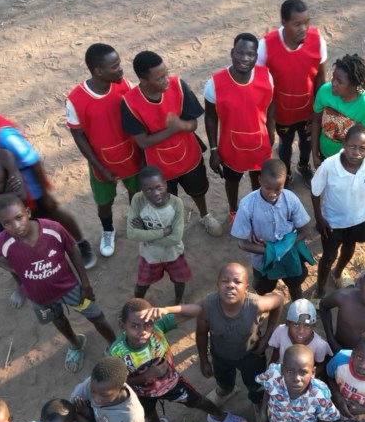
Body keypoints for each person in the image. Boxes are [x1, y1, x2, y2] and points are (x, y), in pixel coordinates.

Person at [0, 80, 97, 268]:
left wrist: (44, 194)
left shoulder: (1, 132)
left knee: (52, 216)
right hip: (6, 191)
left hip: (29, 190)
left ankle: (81, 244)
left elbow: (31, 159)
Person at [0, 196, 115, 371]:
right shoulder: (2, 241)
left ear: (28, 213)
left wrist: (85, 283)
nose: (15, 226)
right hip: (39, 297)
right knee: (57, 319)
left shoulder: (52, 229)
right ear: (2, 225)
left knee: (96, 316)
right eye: (7, 223)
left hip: (70, 288)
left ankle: (114, 345)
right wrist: (8, 266)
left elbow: (73, 250)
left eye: (18, 217)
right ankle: (76, 344)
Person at [108, 299, 250, 422]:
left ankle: (219, 416)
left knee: (198, 400)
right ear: (122, 325)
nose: (143, 331)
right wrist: (146, 376)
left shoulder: (158, 327)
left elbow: (198, 310)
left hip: (172, 383)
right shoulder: (116, 352)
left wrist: (167, 309)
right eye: (134, 326)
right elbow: (116, 383)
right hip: (142, 394)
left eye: (148, 324)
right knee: (149, 414)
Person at [121, 50, 222, 236]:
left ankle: (204, 215)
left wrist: (182, 125)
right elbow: (143, 142)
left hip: (188, 155)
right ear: (143, 81)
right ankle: (173, 227)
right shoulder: (129, 103)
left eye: (166, 73)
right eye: (159, 78)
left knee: (198, 189)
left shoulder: (178, 86)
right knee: (166, 198)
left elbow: (192, 124)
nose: (166, 79)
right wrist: (174, 128)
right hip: (158, 166)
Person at [66, 42, 144, 259]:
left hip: (130, 155)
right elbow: (78, 135)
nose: (121, 69)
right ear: (99, 71)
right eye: (115, 66)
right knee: (104, 202)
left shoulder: (124, 86)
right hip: (102, 162)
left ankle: (135, 220)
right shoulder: (75, 100)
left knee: (135, 193)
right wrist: (98, 166)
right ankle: (108, 230)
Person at [196, 263, 284, 417]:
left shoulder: (255, 304)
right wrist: (203, 360)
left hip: (251, 355)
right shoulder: (207, 307)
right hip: (220, 354)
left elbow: (278, 301)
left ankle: (257, 402)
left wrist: (267, 336)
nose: (230, 285)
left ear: (246, 287)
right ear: (217, 285)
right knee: (222, 377)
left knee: (255, 383)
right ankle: (226, 389)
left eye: (237, 282)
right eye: (225, 281)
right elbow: (201, 334)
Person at [205, 33, 276, 219]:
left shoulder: (266, 77)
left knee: (258, 179)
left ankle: (258, 207)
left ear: (256, 56)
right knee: (232, 180)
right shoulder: (214, 84)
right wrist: (214, 150)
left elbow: (271, 105)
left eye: (250, 54)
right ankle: (233, 210)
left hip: (259, 143)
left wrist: (271, 133)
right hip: (231, 146)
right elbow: (210, 118)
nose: (245, 59)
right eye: (240, 53)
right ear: (232, 53)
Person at [258, 0, 328, 184]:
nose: (303, 28)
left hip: (308, 110)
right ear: (284, 23)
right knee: (285, 142)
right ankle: (286, 172)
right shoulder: (266, 46)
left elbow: (321, 76)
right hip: (282, 112)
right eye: (297, 24)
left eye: (306, 22)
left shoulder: (317, 41)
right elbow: (261, 82)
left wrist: (319, 110)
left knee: (306, 142)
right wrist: (268, 121)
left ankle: (303, 166)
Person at [311, 124, 365, 298]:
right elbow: (315, 192)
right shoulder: (329, 166)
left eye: (362, 148)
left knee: (349, 248)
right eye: (352, 146)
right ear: (343, 144)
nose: (356, 152)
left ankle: (338, 273)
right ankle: (319, 291)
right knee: (328, 256)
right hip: (333, 222)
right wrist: (319, 218)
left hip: (359, 218)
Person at [232, 158, 314, 301]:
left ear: (284, 184)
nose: (272, 193)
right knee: (263, 288)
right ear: (259, 180)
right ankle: (260, 307)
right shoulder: (247, 205)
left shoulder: (290, 199)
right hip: (263, 260)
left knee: (295, 285)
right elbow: (242, 243)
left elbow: (305, 229)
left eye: (278, 189)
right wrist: (270, 251)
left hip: (290, 255)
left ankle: (297, 306)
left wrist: (281, 247)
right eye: (267, 187)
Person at [256, 344, 341, 422]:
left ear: (312, 373)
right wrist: (263, 411)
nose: (296, 378)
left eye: (303, 372)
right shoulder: (274, 376)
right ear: (282, 369)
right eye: (290, 371)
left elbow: (324, 421)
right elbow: (267, 388)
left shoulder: (318, 395)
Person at [126, 166, 191, 304]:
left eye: (158, 187)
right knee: (142, 285)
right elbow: (132, 233)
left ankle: (178, 300)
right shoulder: (138, 200)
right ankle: (137, 303)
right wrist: (163, 232)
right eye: (148, 190)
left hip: (173, 253)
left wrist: (146, 235)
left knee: (179, 281)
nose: (155, 193)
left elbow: (176, 238)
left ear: (166, 184)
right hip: (150, 255)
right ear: (142, 190)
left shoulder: (176, 204)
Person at [311, 54, 365, 167]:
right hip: (324, 153)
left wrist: (352, 166)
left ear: (354, 85)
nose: (333, 83)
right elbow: (316, 122)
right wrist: (315, 154)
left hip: (348, 163)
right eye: (333, 77)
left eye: (339, 81)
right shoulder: (324, 91)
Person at [319, 264, 365, 354]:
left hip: (364, 358)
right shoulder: (343, 297)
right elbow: (323, 306)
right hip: (337, 348)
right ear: (361, 282)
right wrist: (331, 341)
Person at [267, 299, 334, 375]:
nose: (301, 331)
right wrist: (271, 365)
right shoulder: (280, 331)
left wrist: (309, 378)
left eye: (307, 326)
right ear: (288, 323)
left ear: (313, 326)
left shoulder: (320, 345)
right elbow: (277, 349)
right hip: (284, 372)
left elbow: (320, 364)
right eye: (296, 325)